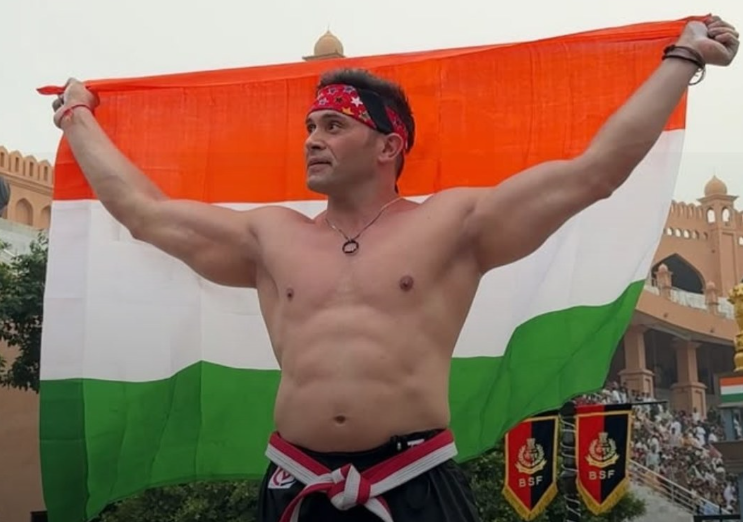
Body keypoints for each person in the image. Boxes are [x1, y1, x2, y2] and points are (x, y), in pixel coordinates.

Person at [51, 16, 738, 522]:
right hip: (295, 483)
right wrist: (77, 117)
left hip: (414, 481)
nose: (312, 140)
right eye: (309, 127)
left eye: (333, 127)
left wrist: (682, 58)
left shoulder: (451, 226)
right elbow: (144, 213)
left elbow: (594, 173)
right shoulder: (270, 237)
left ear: (388, 146)